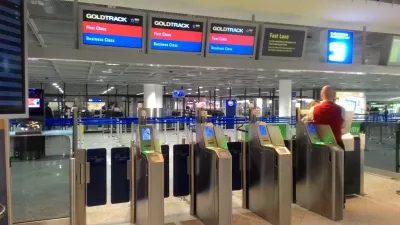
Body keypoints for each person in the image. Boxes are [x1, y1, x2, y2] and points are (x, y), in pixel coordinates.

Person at [304, 85, 346, 207]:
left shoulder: (314, 109)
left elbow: (307, 123)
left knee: (319, 171)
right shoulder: (341, 109)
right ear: (333, 95)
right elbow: (343, 126)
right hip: (337, 144)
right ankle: (339, 200)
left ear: (322, 95)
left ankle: (320, 199)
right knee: (339, 172)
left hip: (320, 145)